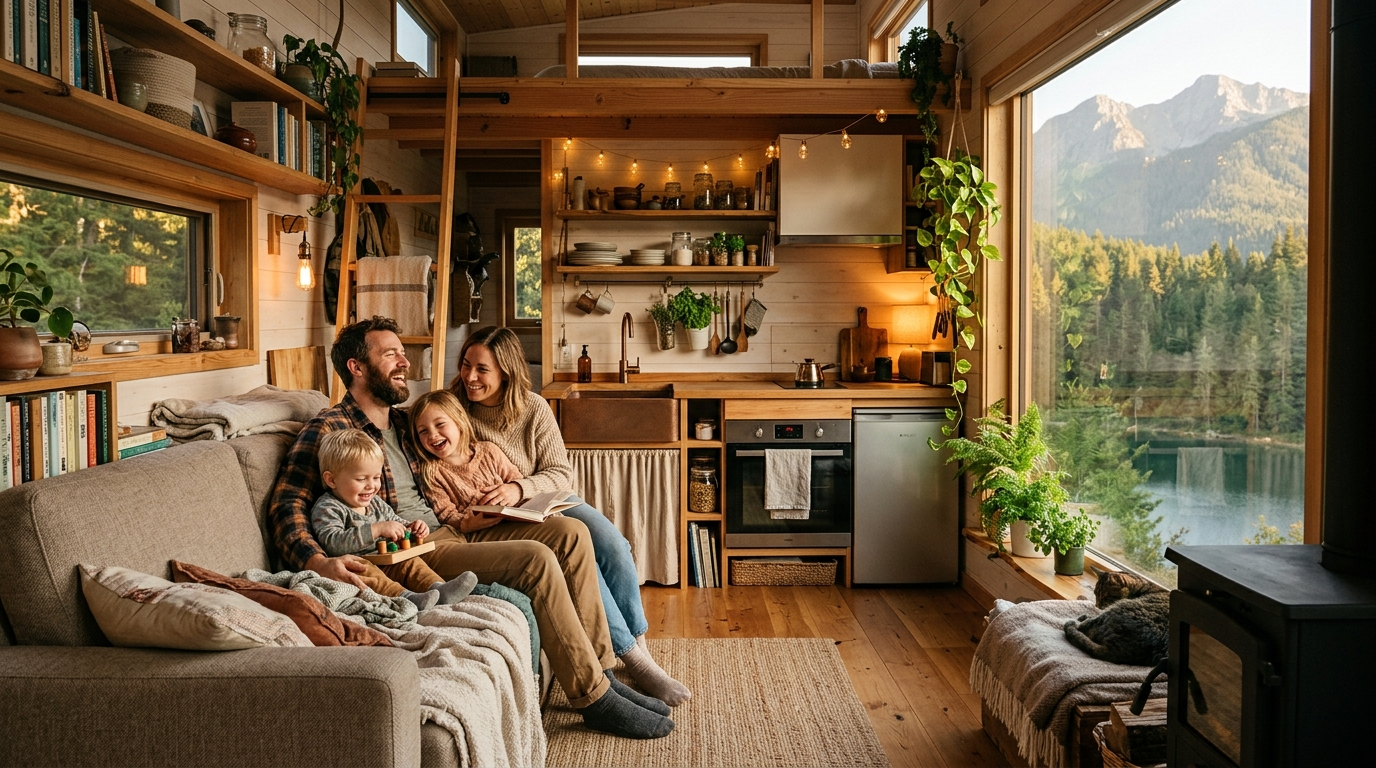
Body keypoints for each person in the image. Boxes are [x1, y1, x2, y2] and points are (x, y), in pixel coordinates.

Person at [267, 316, 673, 738]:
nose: (404, 362)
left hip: (458, 528)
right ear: (357, 367)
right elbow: (286, 505)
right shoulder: (330, 428)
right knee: (536, 560)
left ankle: (605, 669)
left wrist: (507, 490)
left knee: (570, 534)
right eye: (391, 354)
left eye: (402, 352)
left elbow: (461, 430)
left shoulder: (408, 423)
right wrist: (317, 560)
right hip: (415, 546)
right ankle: (593, 698)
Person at [451, 326, 692, 707]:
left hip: (544, 497)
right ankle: (633, 659)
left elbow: (561, 473)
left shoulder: (532, 407)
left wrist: (520, 488)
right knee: (582, 559)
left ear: (506, 372)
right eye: (466, 365)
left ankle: (639, 646)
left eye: (482, 369)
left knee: (615, 545)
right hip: (503, 514)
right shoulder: (454, 408)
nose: (470, 377)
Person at [309, 428, 477, 612]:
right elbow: (332, 543)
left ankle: (437, 588)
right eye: (361, 478)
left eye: (376, 477)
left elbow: (394, 522)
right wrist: (377, 529)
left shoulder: (376, 503)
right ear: (331, 480)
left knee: (410, 562)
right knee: (364, 570)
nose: (371, 486)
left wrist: (411, 527)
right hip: (358, 564)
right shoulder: (328, 507)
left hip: (386, 559)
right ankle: (407, 598)